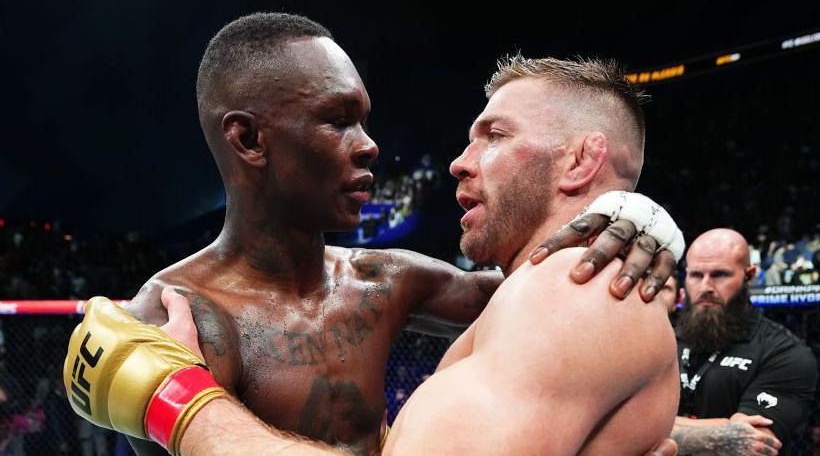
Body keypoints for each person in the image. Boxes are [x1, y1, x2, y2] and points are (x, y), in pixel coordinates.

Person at [65, 54, 682, 455]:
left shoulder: (568, 288)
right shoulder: (178, 309)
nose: (369, 146)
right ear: (249, 138)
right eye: (337, 121)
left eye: (494, 135)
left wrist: (179, 404)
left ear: (580, 160)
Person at [671, 228, 817, 455]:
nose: (706, 287)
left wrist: (644, 430)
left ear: (749, 276)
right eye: (696, 275)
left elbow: (751, 444)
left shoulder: (784, 353)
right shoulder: (664, 340)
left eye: (720, 275)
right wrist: (724, 432)